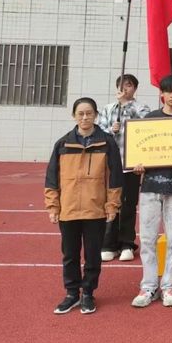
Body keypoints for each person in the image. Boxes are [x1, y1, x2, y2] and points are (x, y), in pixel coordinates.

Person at [45, 97, 123, 315]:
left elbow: (115, 178)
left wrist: (112, 205)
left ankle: (88, 292)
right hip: (68, 209)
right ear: (74, 116)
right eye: (80, 114)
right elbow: (52, 178)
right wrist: (53, 206)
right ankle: (71, 294)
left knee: (92, 255)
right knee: (69, 254)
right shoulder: (62, 144)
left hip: (95, 209)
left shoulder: (107, 143)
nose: (85, 117)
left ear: (96, 115)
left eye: (89, 113)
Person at [131, 74, 172, 309]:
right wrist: (138, 165)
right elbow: (139, 151)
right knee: (147, 238)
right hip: (150, 186)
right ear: (162, 94)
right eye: (168, 91)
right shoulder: (150, 119)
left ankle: (168, 285)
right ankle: (148, 285)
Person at [96, 74, 151, 262]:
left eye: (128, 85)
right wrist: (111, 130)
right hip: (111, 165)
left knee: (128, 204)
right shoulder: (107, 109)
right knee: (110, 204)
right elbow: (100, 132)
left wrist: (126, 106)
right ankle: (108, 244)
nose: (125, 89)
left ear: (134, 88)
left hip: (131, 165)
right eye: (121, 85)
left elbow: (146, 125)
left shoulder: (141, 108)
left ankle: (127, 243)